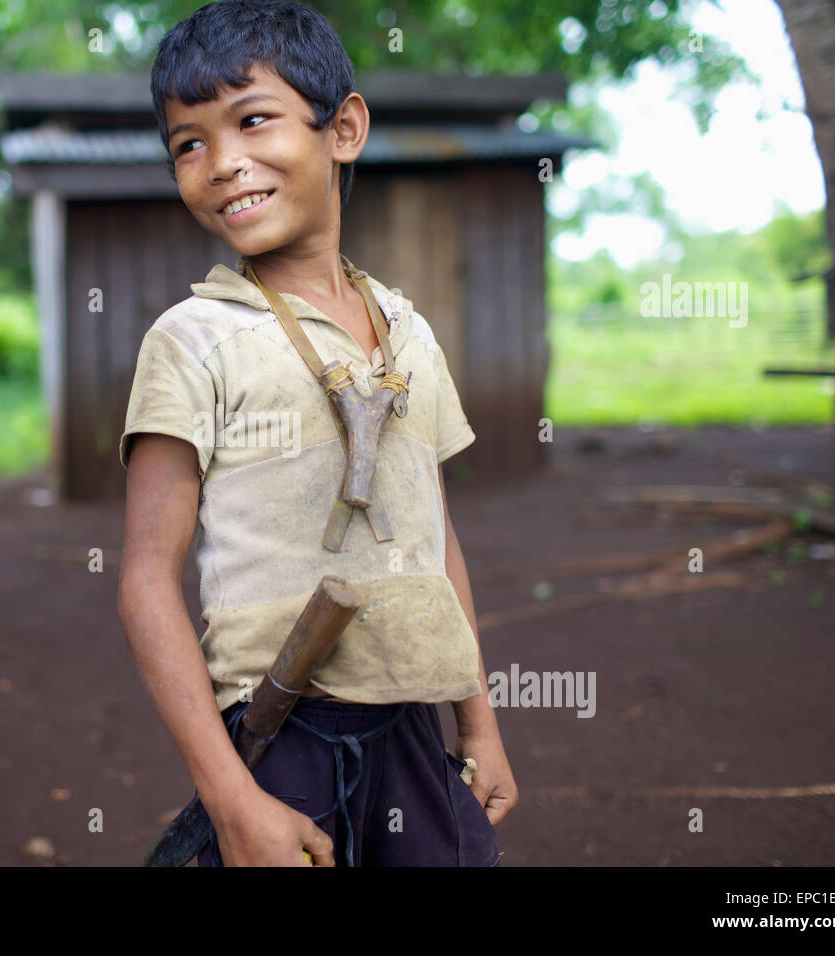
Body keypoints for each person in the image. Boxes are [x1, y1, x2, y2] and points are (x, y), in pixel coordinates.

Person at [116, 0, 517, 867]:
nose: (222, 163)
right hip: (276, 734)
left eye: (252, 120)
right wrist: (230, 799)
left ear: (344, 129)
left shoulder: (408, 331)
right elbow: (147, 577)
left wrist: (477, 721)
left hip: (414, 726)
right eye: (188, 143)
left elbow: (435, 535)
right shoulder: (192, 340)